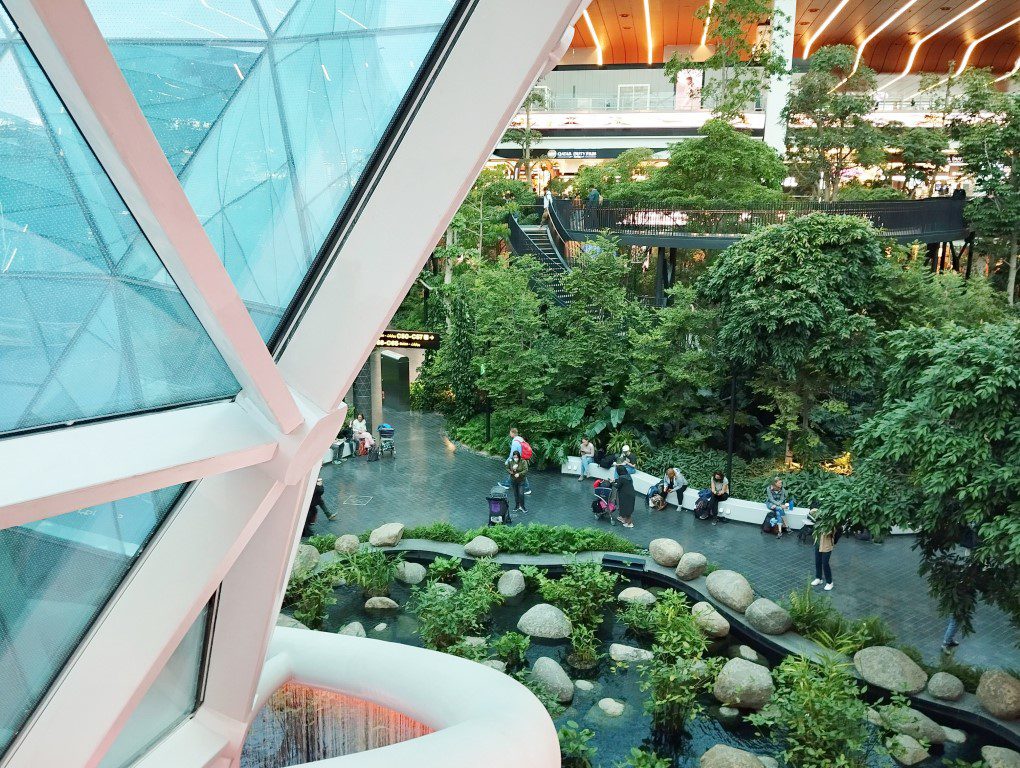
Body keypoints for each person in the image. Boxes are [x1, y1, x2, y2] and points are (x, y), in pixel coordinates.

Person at [500, 428, 531, 493]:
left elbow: (512, 453)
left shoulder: (515, 442)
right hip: (522, 458)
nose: (509, 434)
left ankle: (527, 489)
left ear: (513, 433)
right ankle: (506, 484)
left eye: (510, 433)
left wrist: (508, 460)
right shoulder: (520, 439)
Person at [811, 518, 837, 590]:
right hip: (818, 543)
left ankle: (829, 582)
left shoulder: (832, 522)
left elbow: (831, 532)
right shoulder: (819, 520)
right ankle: (818, 578)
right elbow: (812, 511)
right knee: (818, 561)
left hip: (826, 545)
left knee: (825, 563)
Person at [507, 450, 529, 515]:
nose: (515, 458)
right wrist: (512, 470)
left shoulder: (523, 461)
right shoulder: (511, 461)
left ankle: (522, 506)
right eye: (514, 457)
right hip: (513, 480)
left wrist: (519, 474)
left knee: (521, 494)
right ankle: (517, 506)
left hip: (521, 480)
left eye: (516, 457)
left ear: (519, 457)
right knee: (515, 494)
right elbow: (507, 468)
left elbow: (526, 470)